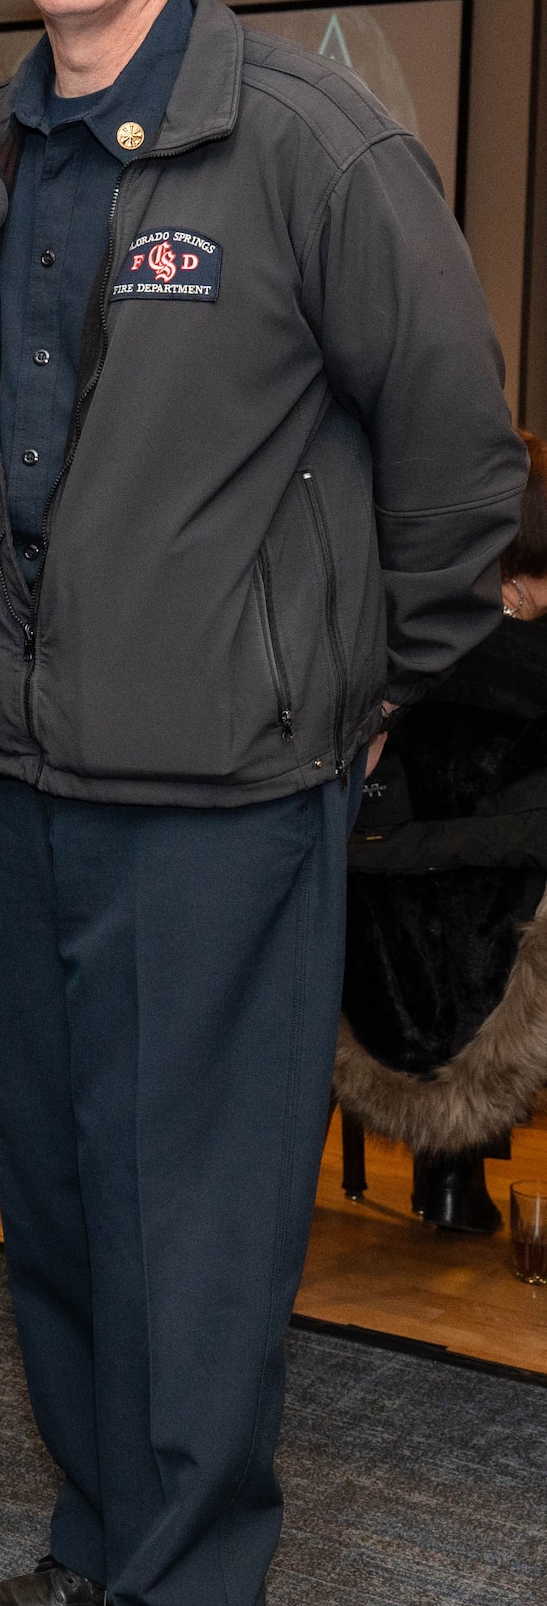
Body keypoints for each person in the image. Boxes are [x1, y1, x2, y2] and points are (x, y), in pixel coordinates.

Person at [0, 0, 526, 1606]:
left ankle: (188, 1591)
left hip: (226, 806)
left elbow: (462, 463)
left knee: (196, 1237)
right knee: (69, 1209)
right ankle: (103, 1543)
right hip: (24, 789)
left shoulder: (309, 144)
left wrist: (347, 691)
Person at [339, 427, 547, 1233]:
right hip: (495, 1011)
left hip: (355, 982)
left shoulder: (382, 640)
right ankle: (455, 1183)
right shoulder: (530, 671)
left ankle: (451, 1181)